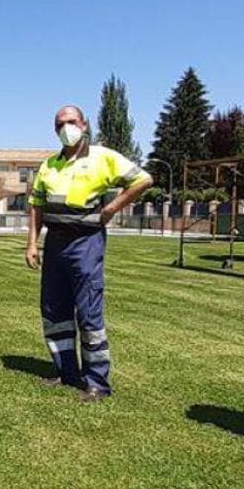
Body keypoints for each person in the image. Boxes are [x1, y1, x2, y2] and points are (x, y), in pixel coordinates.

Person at [25, 106, 152, 402]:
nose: (65, 128)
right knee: (54, 311)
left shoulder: (102, 157)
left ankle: (97, 382)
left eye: (71, 122)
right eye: (59, 124)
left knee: (88, 312)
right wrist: (32, 243)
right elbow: (36, 206)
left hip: (86, 243)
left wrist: (110, 209)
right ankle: (66, 372)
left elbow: (143, 179)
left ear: (84, 124)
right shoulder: (49, 165)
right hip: (55, 244)